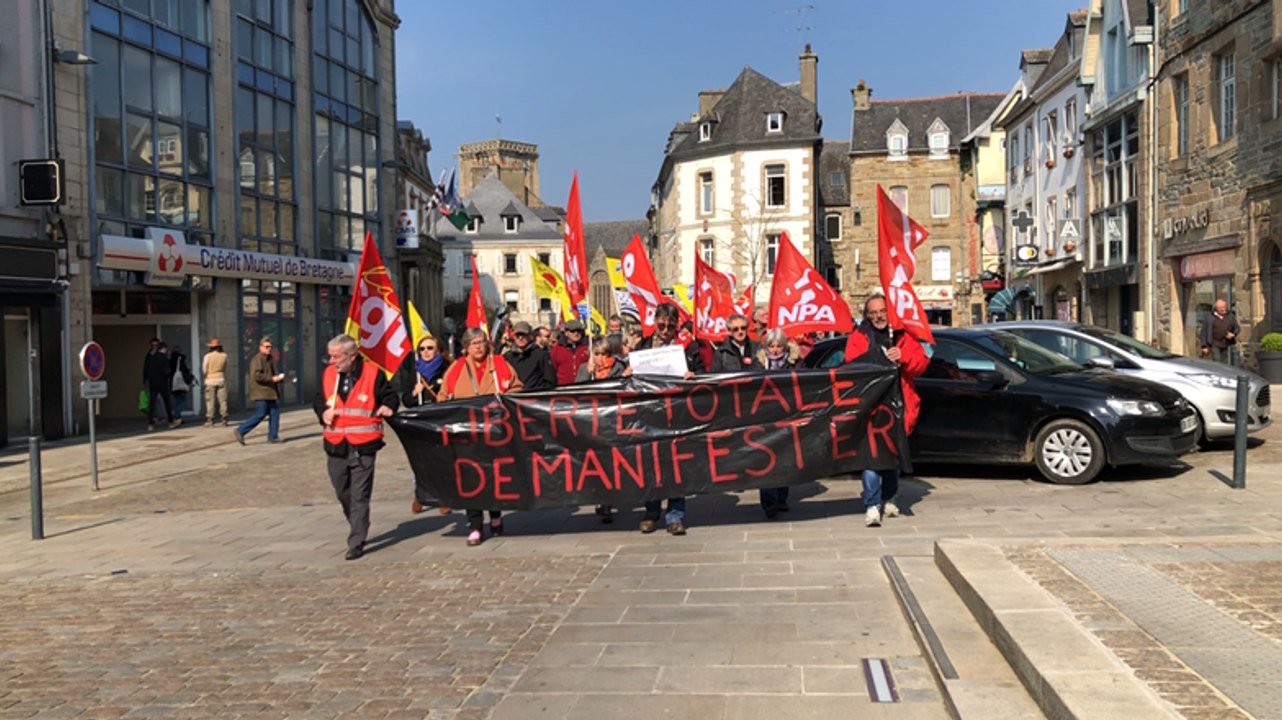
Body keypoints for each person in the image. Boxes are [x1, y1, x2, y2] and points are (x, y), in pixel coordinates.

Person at [843, 294, 928, 528]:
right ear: (867, 316)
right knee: (871, 458)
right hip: (870, 408)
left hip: (898, 406)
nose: (878, 316)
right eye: (873, 312)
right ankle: (872, 504)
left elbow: (921, 364)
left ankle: (889, 496)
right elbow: (851, 367)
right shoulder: (858, 338)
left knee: (892, 456)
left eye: (882, 311)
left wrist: (904, 357)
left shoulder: (903, 336)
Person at [314, 334, 398, 560]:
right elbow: (318, 398)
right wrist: (323, 412)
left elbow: (390, 396)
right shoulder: (328, 373)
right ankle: (359, 521)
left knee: (360, 495)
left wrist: (388, 407)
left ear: (351, 356)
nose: (331, 361)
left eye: (336, 356)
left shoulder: (373, 373)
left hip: (363, 446)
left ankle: (356, 541)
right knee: (343, 492)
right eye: (330, 356)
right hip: (335, 445)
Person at [439, 327, 524, 545]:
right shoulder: (456, 368)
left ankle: (495, 516)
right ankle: (474, 525)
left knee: (493, 476)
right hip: (467, 435)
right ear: (465, 347)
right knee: (471, 480)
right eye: (473, 343)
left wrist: (504, 400)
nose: (478, 346)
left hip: (495, 432)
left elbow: (517, 389)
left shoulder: (500, 364)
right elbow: (443, 397)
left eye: (481, 342)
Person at [633, 302, 704, 535]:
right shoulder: (642, 346)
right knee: (651, 465)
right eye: (661, 324)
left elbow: (704, 374)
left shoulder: (689, 347)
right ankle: (651, 512)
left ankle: (675, 516)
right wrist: (626, 374)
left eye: (670, 325)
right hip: (650, 415)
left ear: (676, 325)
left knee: (676, 467)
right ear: (655, 322)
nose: (665, 329)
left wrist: (693, 375)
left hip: (678, 415)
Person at [575, 335, 631, 524]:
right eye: (597, 354)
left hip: (612, 423)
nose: (600, 358)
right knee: (596, 464)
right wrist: (586, 376)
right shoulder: (585, 369)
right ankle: (601, 500)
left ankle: (608, 501)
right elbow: (575, 393)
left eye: (604, 354)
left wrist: (626, 378)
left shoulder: (618, 368)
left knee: (609, 463)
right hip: (591, 423)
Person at [393, 334, 451, 515]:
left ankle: (443, 497)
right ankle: (421, 493)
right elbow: (407, 401)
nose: (426, 352)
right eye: (422, 349)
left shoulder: (448, 368)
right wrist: (413, 393)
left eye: (430, 348)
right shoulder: (415, 372)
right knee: (421, 459)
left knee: (442, 458)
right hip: (420, 420)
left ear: (438, 350)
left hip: (441, 418)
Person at [755, 327, 797, 518]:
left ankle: (782, 497)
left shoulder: (794, 364)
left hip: (787, 418)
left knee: (784, 459)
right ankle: (769, 500)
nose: (775, 350)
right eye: (771, 346)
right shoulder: (758, 365)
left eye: (779, 346)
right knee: (766, 459)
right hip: (764, 419)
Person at [234, 337, 285, 445]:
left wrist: (278, 379)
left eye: (270, 347)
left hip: (270, 391)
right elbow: (257, 376)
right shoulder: (257, 359)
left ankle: (273, 436)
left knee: (274, 412)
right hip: (261, 391)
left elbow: (271, 373)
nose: (269, 349)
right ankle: (241, 430)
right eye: (266, 347)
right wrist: (272, 378)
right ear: (260, 347)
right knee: (260, 413)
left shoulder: (269, 358)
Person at [503, 321, 557, 390]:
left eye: (523, 335)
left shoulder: (541, 355)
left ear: (530, 336)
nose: (520, 338)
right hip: (514, 398)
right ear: (513, 336)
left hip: (534, 398)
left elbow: (550, 381)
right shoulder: (507, 357)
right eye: (518, 335)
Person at [142, 338, 179, 431]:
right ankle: (170, 421)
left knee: (152, 403)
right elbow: (167, 371)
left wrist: (146, 380)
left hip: (152, 383)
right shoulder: (163, 357)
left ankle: (150, 424)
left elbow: (146, 370)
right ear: (163, 349)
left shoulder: (150, 358)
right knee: (167, 402)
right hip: (162, 383)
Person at [1200, 299, 1239, 365]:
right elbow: (1204, 331)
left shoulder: (1229, 315)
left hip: (1225, 343)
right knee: (1217, 360)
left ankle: (1222, 374)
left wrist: (1233, 334)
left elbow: (1236, 328)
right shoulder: (1209, 317)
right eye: (1221, 308)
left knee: (1224, 362)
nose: (1223, 309)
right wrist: (1204, 346)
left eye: (1224, 307)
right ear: (1216, 308)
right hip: (1214, 343)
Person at [550, 318, 590, 385]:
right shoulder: (557, 349)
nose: (576, 333)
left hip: (584, 386)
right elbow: (553, 368)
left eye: (578, 331)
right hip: (564, 388)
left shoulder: (587, 347)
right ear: (566, 332)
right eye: (573, 331)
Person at [202, 338, 230, 427]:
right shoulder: (224, 356)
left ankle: (210, 419)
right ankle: (224, 418)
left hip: (210, 379)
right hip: (221, 378)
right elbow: (225, 367)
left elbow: (204, 369)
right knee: (223, 400)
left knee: (210, 401)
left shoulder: (207, 356)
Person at [168, 344, 196, 418]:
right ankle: (176, 414)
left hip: (173, 383)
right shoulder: (181, 360)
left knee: (178, 400)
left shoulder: (170, 360)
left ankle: (178, 417)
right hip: (180, 382)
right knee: (183, 400)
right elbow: (184, 370)